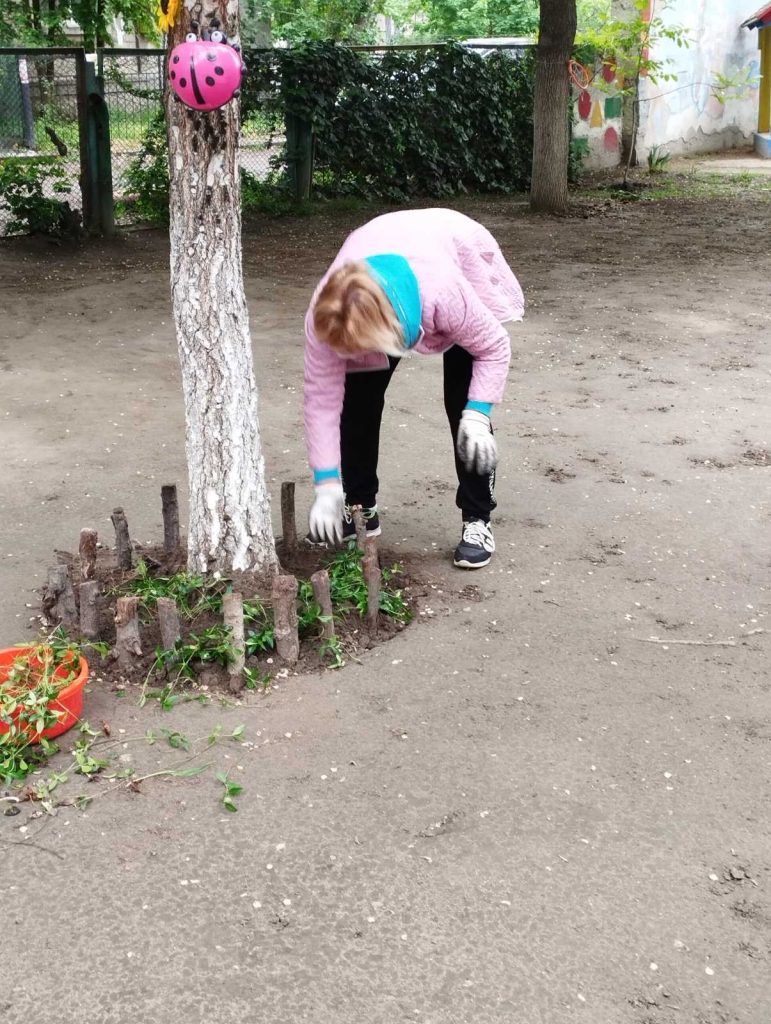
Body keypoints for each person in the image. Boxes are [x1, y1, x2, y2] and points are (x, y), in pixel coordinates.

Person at [303, 208, 524, 569]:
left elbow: (493, 347)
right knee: (358, 398)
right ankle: (360, 507)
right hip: (381, 254)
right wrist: (326, 484)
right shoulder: (327, 312)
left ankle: (477, 518)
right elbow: (321, 401)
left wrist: (479, 413)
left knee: (463, 402)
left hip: (450, 248)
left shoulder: (444, 291)